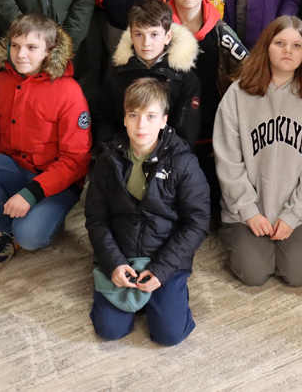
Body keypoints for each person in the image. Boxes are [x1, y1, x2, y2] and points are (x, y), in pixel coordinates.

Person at [85, 78, 210, 346]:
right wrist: (113, 263)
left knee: (169, 335)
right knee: (109, 330)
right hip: (122, 255)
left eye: (151, 116)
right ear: (125, 119)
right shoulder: (107, 161)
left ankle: (165, 298)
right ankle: (134, 298)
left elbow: (197, 223)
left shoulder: (184, 162)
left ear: (164, 120)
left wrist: (163, 270)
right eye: (134, 115)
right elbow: (96, 219)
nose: (142, 125)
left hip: (165, 257)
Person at [0, 13, 91, 270]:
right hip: (15, 169)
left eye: (32, 47)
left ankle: (34, 223)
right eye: (15, 45)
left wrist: (31, 194)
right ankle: (7, 231)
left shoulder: (69, 92)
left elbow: (76, 161)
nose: (21, 54)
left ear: (49, 51)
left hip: (57, 181)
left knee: (31, 237)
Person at [214, 16, 302, 287]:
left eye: (296, 45)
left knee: (297, 274)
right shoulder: (238, 94)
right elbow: (228, 159)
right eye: (280, 43)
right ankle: (245, 240)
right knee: (254, 273)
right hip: (249, 207)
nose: (288, 51)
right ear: (267, 47)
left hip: (301, 208)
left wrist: (293, 215)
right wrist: (247, 210)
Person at [164, 0, 248, 202]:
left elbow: (249, 70)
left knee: (210, 204)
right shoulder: (158, 30)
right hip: (169, 132)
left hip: (213, 133)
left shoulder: (221, 32)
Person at [97, 0, 202, 149]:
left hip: (169, 158)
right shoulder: (117, 71)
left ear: (167, 37)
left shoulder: (185, 78)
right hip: (122, 153)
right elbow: (104, 118)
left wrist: (156, 158)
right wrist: (118, 152)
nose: (146, 43)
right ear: (131, 35)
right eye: (139, 34)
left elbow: (185, 135)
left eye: (154, 35)